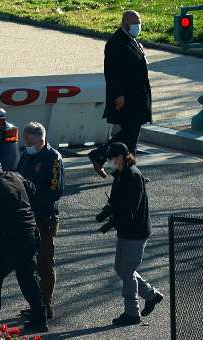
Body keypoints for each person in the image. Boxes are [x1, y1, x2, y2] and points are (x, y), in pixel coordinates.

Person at [0, 157, 48, 333]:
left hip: (13, 239)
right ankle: (40, 318)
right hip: (30, 233)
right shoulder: (14, 175)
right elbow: (33, 190)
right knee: (27, 277)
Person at [101, 142, 163, 326]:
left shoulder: (133, 176)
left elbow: (130, 210)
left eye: (113, 158)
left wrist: (112, 221)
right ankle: (151, 295)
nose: (111, 161)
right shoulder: (121, 174)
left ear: (122, 157)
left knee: (127, 272)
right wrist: (107, 212)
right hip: (126, 229)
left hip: (135, 232)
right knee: (121, 268)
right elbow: (117, 202)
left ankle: (132, 313)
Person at [88, 10, 152, 178]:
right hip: (126, 99)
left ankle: (125, 171)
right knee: (128, 135)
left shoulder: (133, 41)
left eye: (139, 22)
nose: (137, 26)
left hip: (137, 98)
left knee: (131, 137)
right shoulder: (116, 42)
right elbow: (111, 73)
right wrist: (118, 95)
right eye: (134, 23)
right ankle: (101, 156)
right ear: (124, 23)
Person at [16, 122, 64, 320]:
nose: (27, 144)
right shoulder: (27, 155)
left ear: (41, 140)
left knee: (44, 262)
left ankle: (46, 305)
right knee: (29, 263)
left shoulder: (53, 158)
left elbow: (55, 190)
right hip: (27, 216)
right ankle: (36, 303)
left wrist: (31, 195)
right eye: (25, 141)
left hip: (44, 218)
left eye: (31, 141)